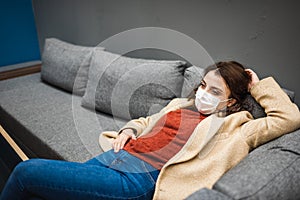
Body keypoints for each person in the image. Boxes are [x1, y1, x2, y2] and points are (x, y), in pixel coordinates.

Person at [1, 61, 299, 200]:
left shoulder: (238, 126)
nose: (203, 93)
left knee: (27, 173)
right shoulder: (181, 104)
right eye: (203, 86)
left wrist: (257, 85)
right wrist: (128, 130)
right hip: (118, 155)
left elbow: (289, 118)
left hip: (141, 177)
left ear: (231, 100)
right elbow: (145, 121)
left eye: (214, 91)